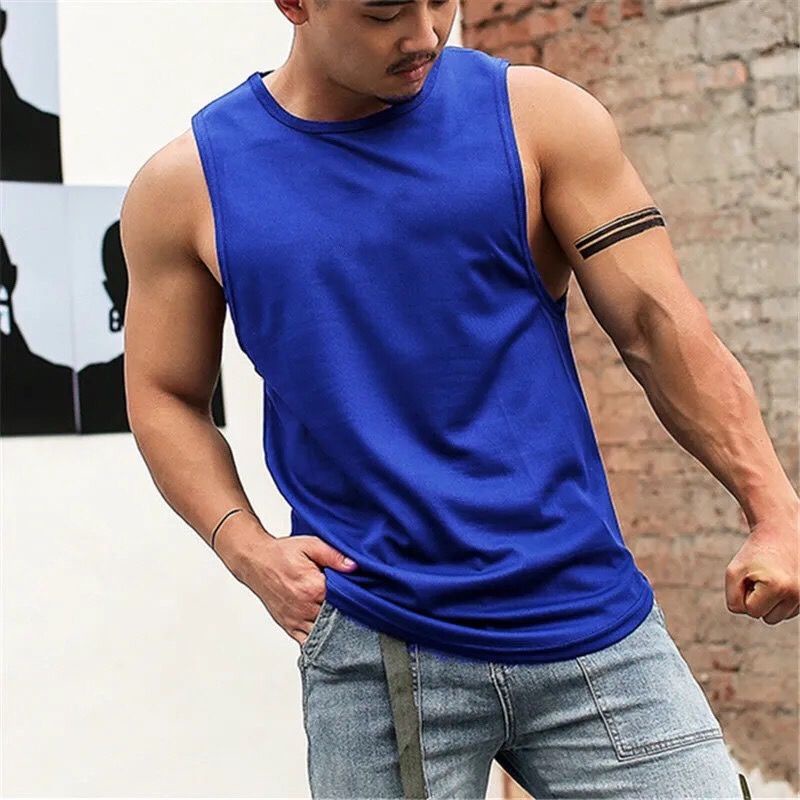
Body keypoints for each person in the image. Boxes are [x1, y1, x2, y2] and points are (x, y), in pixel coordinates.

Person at [120, 0, 797, 797]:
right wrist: (244, 547)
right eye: (383, 12)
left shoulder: (539, 119)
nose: (423, 34)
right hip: (377, 643)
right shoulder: (188, 185)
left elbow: (658, 326)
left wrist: (774, 507)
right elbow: (163, 393)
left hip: (587, 616)